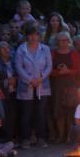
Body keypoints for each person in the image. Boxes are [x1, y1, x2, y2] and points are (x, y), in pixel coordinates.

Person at [16, 21, 52, 149]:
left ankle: (41, 138)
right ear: (27, 36)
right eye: (31, 35)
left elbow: (49, 66)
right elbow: (18, 67)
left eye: (36, 35)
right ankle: (25, 138)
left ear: (39, 36)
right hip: (27, 85)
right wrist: (30, 79)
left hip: (42, 85)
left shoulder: (45, 49)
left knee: (41, 113)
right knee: (26, 113)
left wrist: (41, 78)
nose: (33, 37)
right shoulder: (21, 49)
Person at [50, 32, 80, 143]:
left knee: (70, 111)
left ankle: (69, 136)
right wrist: (58, 72)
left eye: (65, 40)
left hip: (71, 84)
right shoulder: (52, 53)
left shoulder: (74, 53)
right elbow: (48, 69)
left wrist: (68, 71)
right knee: (59, 111)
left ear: (69, 41)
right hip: (57, 85)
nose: (63, 43)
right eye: (60, 40)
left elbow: (78, 69)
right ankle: (60, 136)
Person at [0, 42, 18, 138]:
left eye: (8, 48)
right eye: (4, 49)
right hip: (2, 94)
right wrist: (7, 81)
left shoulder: (14, 61)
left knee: (14, 116)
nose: (7, 50)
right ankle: (5, 138)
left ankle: (13, 138)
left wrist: (15, 79)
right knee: (4, 117)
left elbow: (19, 74)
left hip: (15, 92)